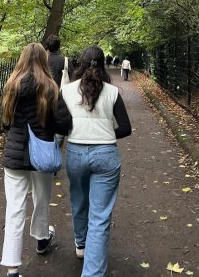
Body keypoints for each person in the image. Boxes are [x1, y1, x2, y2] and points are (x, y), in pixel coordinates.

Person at [0, 43, 72, 277]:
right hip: (41, 154)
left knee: (14, 208)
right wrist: (46, 127)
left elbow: (6, 123)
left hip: (15, 154)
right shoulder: (50, 87)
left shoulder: (11, 85)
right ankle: (42, 239)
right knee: (41, 199)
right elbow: (63, 123)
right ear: (44, 59)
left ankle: (12, 269)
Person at [61, 45, 131, 277]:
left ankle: (81, 244)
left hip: (76, 153)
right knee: (100, 218)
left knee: (79, 201)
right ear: (102, 64)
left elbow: (61, 124)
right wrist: (106, 134)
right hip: (106, 156)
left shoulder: (67, 91)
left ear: (80, 63)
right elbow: (126, 128)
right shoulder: (112, 92)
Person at [45, 34, 74, 147]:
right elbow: (73, 79)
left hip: (42, 97)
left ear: (47, 46)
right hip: (60, 99)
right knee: (58, 129)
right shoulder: (65, 61)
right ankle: (55, 150)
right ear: (59, 47)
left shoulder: (41, 60)